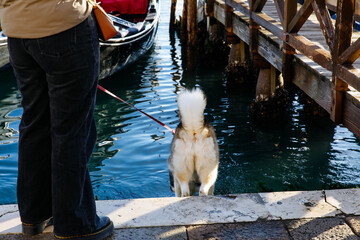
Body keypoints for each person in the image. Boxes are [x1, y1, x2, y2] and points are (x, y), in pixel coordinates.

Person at [0, 1, 114, 239]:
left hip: (18, 30)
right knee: (71, 129)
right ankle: (76, 225)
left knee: (34, 123)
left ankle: (34, 215)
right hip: (65, 25)